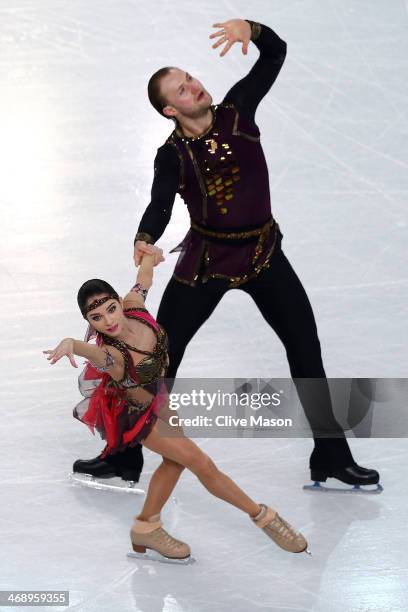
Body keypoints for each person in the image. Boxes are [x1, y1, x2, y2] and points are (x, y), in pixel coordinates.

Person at [75, 17, 380, 491]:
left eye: (190, 78)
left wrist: (252, 29)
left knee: (305, 348)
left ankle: (331, 455)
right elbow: (159, 204)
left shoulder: (239, 110)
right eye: (180, 89)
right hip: (206, 263)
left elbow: (275, 53)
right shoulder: (171, 154)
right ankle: (125, 455)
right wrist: (145, 236)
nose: (193, 87)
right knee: (158, 360)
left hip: (263, 254)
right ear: (168, 110)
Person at [43, 253, 309, 559]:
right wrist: (71, 343)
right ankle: (264, 517)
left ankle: (146, 527)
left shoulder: (135, 306)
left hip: (159, 399)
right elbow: (92, 352)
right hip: (137, 416)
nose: (109, 321)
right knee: (202, 464)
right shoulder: (112, 355)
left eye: (111, 309)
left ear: (120, 301)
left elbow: (144, 280)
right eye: (97, 318)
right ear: (89, 322)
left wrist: (148, 256)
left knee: (176, 461)